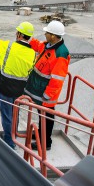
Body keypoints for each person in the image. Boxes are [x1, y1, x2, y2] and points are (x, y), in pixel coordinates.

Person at [0, 22, 37, 149]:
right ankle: (13, 136)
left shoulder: (9, 46)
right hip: (20, 89)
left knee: (6, 114)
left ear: (19, 34)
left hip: (5, 86)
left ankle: (9, 142)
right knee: (15, 113)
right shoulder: (33, 54)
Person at [24, 20, 70, 151]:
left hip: (47, 93)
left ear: (54, 36)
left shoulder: (61, 54)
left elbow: (57, 78)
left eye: (47, 32)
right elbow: (40, 47)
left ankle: (45, 143)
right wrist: (28, 39)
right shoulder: (49, 45)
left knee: (46, 116)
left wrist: (47, 95)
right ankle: (40, 134)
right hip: (41, 89)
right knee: (41, 114)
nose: (45, 34)